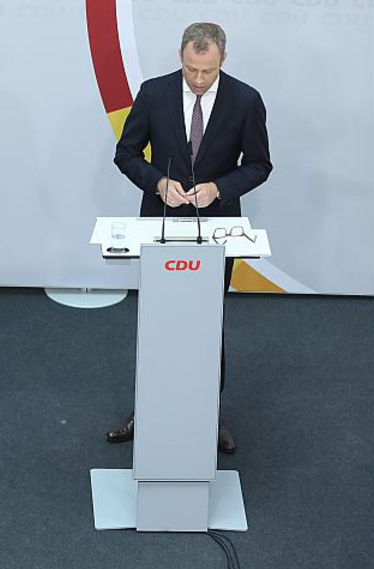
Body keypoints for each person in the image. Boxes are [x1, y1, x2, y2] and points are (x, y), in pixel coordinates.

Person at [108, 22, 272, 453]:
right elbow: (126, 153)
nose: (198, 80)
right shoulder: (153, 93)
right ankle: (147, 408)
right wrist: (158, 182)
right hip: (161, 223)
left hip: (217, 227)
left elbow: (259, 164)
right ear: (180, 56)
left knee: (208, 321)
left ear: (223, 60)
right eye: (190, 69)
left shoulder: (246, 100)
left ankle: (208, 412)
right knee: (158, 319)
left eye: (208, 71)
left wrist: (220, 188)